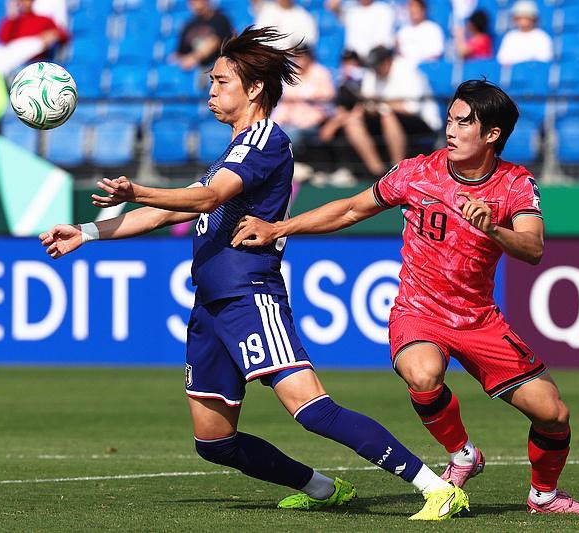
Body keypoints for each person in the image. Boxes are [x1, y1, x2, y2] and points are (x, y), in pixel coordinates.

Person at [40, 27, 468, 521]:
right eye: (211, 81)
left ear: (255, 87)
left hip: (250, 295)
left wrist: (137, 189)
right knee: (214, 441)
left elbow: (205, 199)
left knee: (313, 409)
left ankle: (435, 487)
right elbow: (168, 212)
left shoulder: (265, 140)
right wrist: (86, 232)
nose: (211, 91)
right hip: (211, 304)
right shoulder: (233, 152)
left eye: (221, 81)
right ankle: (323, 488)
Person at [232, 79, 579, 516]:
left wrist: (492, 228)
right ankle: (463, 453)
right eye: (449, 120)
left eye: (463, 123)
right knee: (422, 374)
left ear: (492, 134)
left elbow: (533, 248)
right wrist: (278, 228)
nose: (450, 130)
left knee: (553, 413)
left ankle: (544, 496)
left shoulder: (515, 183)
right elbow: (351, 208)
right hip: (419, 311)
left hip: (479, 318)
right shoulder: (417, 172)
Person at [323, 45, 441, 177]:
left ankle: (397, 172)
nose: (376, 69)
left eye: (378, 65)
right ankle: (378, 173)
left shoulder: (407, 70)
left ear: (388, 61)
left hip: (421, 122)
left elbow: (412, 108)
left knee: (387, 114)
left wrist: (381, 104)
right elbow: (368, 102)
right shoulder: (372, 72)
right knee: (354, 122)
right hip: (386, 119)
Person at [272, 44, 334, 151]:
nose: (298, 60)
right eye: (296, 57)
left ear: (309, 58)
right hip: (289, 120)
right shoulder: (292, 74)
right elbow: (285, 101)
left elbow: (328, 97)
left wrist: (307, 98)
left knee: (289, 137)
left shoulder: (320, 72)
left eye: (301, 57)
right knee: (272, 135)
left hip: (311, 121)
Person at [0, 0, 69, 60]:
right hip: (15, 62)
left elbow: (64, 35)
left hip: (37, 62)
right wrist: (12, 16)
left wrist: (54, 34)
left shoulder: (44, 20)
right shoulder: (12, 22)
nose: (26, 3)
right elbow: (3, 40)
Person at [326, 0, 395, 61]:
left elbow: (384, 43)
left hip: (375, 61)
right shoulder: (350, 8)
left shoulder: (384, 10)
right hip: (353, 61)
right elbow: (331, 5)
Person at [175, 0, 233, 71]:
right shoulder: (188, 25)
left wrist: (194, 57)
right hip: (195, 69)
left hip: (217, 65)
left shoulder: (220, 19)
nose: (194, 3)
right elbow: (179, 53)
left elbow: (214, 43)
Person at [496, 0, 552, 65]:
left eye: (526, 17)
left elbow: (544, 60)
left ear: (533, 18)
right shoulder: (510, 36)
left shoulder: (542, 37)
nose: (523, 21)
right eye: (519, 18)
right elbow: (502, 59)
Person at [252, 0, 318, 50]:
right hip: (261, 57)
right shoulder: (265, 9)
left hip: (287, 61)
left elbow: (307, 45)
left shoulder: (304, 17)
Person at [396, 0, 445, 64]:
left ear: (423, 10)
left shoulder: (433, 29)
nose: (413, 10)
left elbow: (436, 55)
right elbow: (399, 55)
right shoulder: (402, 32)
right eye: (411, 7)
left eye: (416, 7)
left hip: (427, 68)